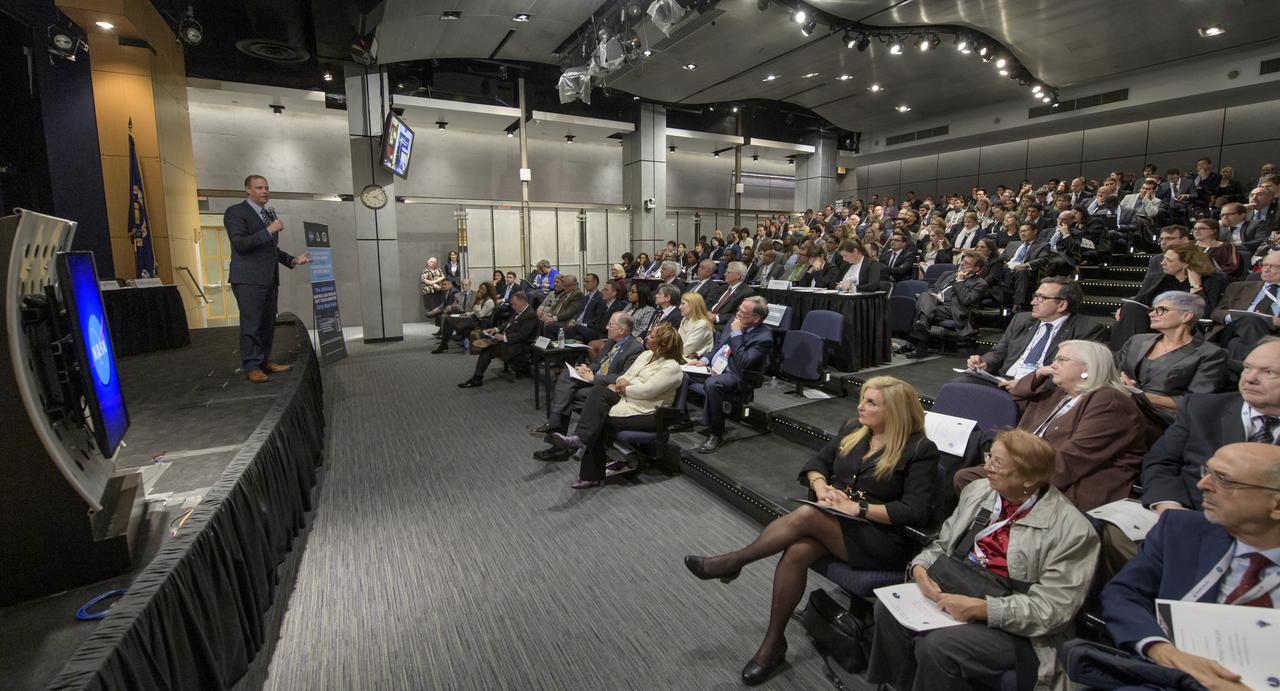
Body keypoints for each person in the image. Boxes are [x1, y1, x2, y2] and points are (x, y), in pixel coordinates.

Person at [684, 377, 940, 686]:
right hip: (840, 523)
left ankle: (733, 561)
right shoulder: (853, 430)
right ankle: (773, 643)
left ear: (895, 410)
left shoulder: (919, 449)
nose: (860, 405)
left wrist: (858, 509)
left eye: (871, 402)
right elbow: (818, 462)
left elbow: (916, 510)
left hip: (882, 539)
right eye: (862, 398)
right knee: (798, 550)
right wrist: (822, 487)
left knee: (806, 516)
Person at [868, 430, 1100, 691]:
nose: (986, 467)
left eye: (997, 464)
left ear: (1030, 478)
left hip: (1018, 626)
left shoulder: (1073, 530)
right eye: (990, 457)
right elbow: (943, 545)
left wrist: (983, 609)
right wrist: (920, 568)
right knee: (888, 610)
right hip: (957, 587)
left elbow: (1054, 611)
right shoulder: (980, 491)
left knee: (937, 647)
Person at [1096, 442, 1280, 691]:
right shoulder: (1181, 529)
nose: (1202, 485)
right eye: (1208, 472)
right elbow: (1123, 594)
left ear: (1276, 505)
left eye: (1224, 480)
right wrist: (1161, 650)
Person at [957, 340, 1147, 512]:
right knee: (966, 477)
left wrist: (1016, 473)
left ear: (1087, 368)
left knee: (975, 481)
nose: (1053, 365)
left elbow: (1073, 460)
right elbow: (1013, 397)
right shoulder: (1061, 393)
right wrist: (1038, 374)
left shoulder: (1109, 402)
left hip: (1070, 483)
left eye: (1062, 359)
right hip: (1032, 467)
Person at [550, 323, 685, 489]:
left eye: (652, 335)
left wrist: (624, 387)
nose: (647, 336)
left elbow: (647, 391)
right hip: (627, 401)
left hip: (649, 414)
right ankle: (580, 440)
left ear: (661, 344)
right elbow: (625, 376)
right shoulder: (645, 355)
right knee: (598, 392)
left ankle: (588, 466)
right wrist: (623, 383)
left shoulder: (672, 367)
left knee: (599, 420)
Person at [223, 175, 310, 383]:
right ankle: (251, 366)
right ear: (247, 190)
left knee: (268, 323)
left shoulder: (268, 215)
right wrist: (269, 230)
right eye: (259, 187)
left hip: (269, 279)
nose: (264, 191)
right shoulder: (235, 212)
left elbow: (271, 249)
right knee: (251, 324)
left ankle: (263, 361)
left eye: (267, 188)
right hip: (248, 280)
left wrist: (293, 260)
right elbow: (241, 244)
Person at [529, 312, 644, 460]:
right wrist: (587, 369)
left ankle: (557, 439)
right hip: (594, 380)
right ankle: (556, 426)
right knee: (566, 375)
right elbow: (598, 363)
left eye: (611, 325)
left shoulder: (635, 348)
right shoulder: (610, 342)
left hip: (609, 389)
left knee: (568, 393)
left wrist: (594, 377)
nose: (606, 327)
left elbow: (623, 377)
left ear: (621, 330)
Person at [1116, 291, 1227, 427]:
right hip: (1120, 408)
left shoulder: (1210, 354)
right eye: (1152, 309)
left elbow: (1195, 402)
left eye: (1161, 310)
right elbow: (1114, 373)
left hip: (1164, 420)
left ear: (1186, 316)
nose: (1151, 314)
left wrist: (1138, 395)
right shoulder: (1136, 341)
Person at [962, 278, 1102, 385]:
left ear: (1062, 305)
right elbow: (1000, 351)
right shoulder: (1021, 319)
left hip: (1041, 387)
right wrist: (985, 362)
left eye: (1042, 298)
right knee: (959, 384)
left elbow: (1075, 374)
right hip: (1005, 380)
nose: (1033, 302)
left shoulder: (1086, 329)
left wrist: (1027, 385)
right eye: (1035, 296)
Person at [685, 296, 774, 453]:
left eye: (742, 312)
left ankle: (716, 434)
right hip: (716, 366)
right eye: (738, 310)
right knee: (680, 371)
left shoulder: (764, 338)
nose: (738, 314)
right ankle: (681, 416)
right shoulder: (735, 320)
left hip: (737, 374)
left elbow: (744, 363)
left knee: (713, 385)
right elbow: (719, 346)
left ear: (756, 318)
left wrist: (737, 334)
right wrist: (704, 360)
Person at [1111, 242, 1225, 348]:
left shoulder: (1211, 280)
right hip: (1157, 319)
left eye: (1169, 260)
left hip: (1184, 324)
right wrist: (1124, 309)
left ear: (1186, 264)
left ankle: (1133, 355)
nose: (1162, 263)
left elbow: (1204, 314)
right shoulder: (1161, 278)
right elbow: (1141, 301)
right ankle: (1126, 355)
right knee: (1131, 309)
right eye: (1164, 258)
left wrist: (1195, 285)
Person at [905, 251, 988, 357]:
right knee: (925, 295)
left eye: (967, 263)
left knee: (922, 310)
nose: (962, 263)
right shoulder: (948, 274)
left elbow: (966, 300)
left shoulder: (980, 283)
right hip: (934, 304)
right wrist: (934, 296)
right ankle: (921, 336)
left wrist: (960, 281)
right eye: (962, 260)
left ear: (976, 268)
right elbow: (933, 288)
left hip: (953, 309)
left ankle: (916, 342)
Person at [457, 291, 538, 388]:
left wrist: (503, 337)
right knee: (484, 334)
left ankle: (477, 378)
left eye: (514, 304)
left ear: (522, 301)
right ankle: (478, 377)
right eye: (512, 304)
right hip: (510, 340)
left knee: (487, 350)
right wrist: (496, 329)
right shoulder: (519, 311)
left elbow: (523, 335)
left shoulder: (530, 315)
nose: (513, 306)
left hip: (520, 345)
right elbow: (508, 324)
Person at [1209, 252, 1280, 359]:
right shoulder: (1238, 287)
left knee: (1236, 345)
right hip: (1234, 328)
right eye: (1264, 265)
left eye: (1274, 267)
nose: (1266, 269)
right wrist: (1238, 316)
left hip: (1274, 333)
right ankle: (1265, 360)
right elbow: (1217, 312)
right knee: (1251, 320)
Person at [432, 281, 496, 353]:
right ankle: (444, 344)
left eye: (483, 289)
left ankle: (443, 345)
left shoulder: (490, 302)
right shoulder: (482, 299)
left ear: (488, 291)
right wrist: (466, 314)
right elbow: (474, 312)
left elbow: (480, 315)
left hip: (481, 322)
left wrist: (477, 304)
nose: (480, 291)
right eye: (480, 289)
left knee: (449, 320)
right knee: (448, 319)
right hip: (474, 319)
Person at [543, 273, 603, 340]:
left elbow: (571, 312)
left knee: (550, 326)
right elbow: (578, 312)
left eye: (587, 282)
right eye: (584, 281)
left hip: (582, 326)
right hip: (575, 323)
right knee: (543, 323)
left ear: (595, 282)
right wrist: (548, 314)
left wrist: (577, 323)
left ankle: (552, 349)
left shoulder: (599, 298)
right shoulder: (586, 298)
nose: (584, 284)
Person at [676, 292, 716, 359]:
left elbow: (687, 350)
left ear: (693, 305)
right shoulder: (684, 320)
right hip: (682, 356)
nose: (680, 307)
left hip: (696, 361)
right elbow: (677, 341)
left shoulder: (702, 324)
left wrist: (668, 351)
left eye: (683, 304)